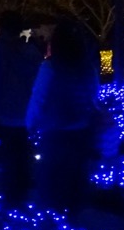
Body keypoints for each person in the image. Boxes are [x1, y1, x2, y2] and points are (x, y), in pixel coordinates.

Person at [26, 18, 100, 212]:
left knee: (51, 185)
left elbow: (39, 98)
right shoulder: (88, 68)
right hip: (81, 134)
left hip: (54, 133)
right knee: (75, 185)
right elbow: (94, 98)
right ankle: (73, 225)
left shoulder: (50, 67)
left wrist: (30, 123)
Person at [0, 10, 43, 205]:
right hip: (27, 113)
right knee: (23, 157)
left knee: (9, 159)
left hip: (6, 113)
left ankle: (12, 200)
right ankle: (23, 196)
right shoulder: (32, 52)